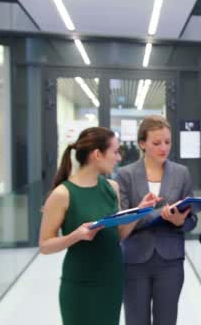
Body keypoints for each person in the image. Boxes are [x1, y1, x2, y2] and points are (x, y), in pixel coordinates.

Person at [39, 127, 158, 325]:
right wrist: (75, 236)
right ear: (97, 154)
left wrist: (139, 212)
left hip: (111, 280)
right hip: (80, 284)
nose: (119, 158)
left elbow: (117, 236)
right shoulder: (62, 194)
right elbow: (44, 245)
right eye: (115, 151)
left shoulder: (112, 188)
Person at [115, 115, 196, 325]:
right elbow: (121, 221)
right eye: (156, 143)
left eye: (167, 142)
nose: (163, 148)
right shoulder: (125, 175)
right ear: (142, 143)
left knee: (167, 321)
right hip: (134, 260)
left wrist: (180, 222)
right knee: (136, 320)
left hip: (170, 261)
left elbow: (191, 219)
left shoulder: (181, 174)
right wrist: (157, 214)